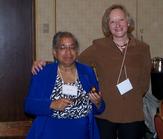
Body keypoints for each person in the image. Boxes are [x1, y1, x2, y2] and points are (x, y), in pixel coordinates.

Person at [31, 4, 151, 139]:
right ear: (108, 25)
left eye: (121, 20)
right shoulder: (99, 46)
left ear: (128, 22)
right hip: (106, 113)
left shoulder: (143, 48)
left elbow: (144, 83)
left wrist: (131, 96)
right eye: (112, 21)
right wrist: (45, 65)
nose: (117, 25)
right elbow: (72, 61)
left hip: (132, 113)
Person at [24, 31, 105, 139]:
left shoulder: (87, 72)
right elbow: (29, 106)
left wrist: (98, 103)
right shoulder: (43, 72)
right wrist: (51, 104)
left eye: (72, 47)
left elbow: (99, 108)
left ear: (76, 51)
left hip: (81, 132)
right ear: (55, 52)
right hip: (51, 132)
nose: (68, 52)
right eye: (63, 48)